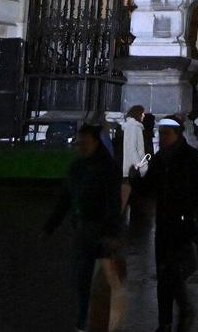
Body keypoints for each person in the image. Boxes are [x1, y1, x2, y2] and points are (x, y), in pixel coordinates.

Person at [42, 121, 122, 332]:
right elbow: (66, 198)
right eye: (79, 143)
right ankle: (86, 317)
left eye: (84, 143)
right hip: (84, 227)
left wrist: (112, 232)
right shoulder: (78, 167)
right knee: (83, 276)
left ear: (95, 142)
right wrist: (51, 225)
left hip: (99, 228)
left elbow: (113, 201)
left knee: (97, 277)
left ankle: (98, 318)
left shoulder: (106, 167)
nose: (81, 147)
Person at [149, 117, 198, 332]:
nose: (162, 138)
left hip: (183, 224)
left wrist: (194, 210)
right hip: (164, 223)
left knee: (171, 270)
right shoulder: (159, 159)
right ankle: (166, 320)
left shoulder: (190, 158)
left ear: (177, 134)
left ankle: (175, 312)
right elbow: (149, 187)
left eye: (166, 134)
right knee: (166, 271)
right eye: (160, 133)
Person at [119, 104, 153, 214]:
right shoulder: (134, 127)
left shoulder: (132, 126)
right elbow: (132, 148)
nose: (143, 115)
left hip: (132, 168)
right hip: (134, 168)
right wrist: (142, 165)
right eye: (142, 113)